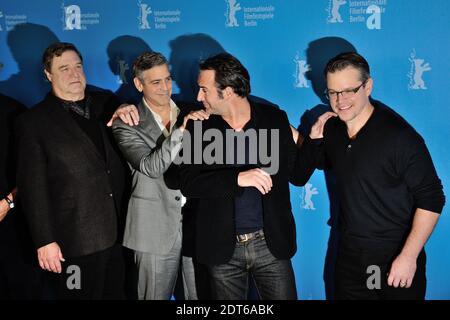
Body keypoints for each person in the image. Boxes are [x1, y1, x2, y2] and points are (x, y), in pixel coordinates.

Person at [304, 52, 445, 299]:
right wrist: (305, 136)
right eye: (333, 92)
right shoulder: (333, 130)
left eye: (349, 90)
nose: (340, 100)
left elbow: (432, 199)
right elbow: (314, 164)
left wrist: (408, 256)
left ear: (368, 86)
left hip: (392, 258)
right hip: (349, 257)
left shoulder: (399, 137)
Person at [177, 53, 314, 300]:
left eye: (203, 90)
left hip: (270, 244)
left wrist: (315, 140)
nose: (198, 97)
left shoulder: (274, 119)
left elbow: (298, 176)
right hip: (221, 248)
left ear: (227, 91)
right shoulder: (199, 126)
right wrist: (237, 178)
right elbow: (188, 183)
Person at [15, 42, 135, 299]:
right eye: (64, 68)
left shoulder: (109, 103)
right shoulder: (32, 123)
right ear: (48, 75)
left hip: (121, 234)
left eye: (78, 66)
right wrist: (44, 240)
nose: (74, 74)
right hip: (74, 242)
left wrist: (127, 107)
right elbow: (32, 187)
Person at [112, 51, 208, 300]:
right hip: (152, 228)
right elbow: (150, 167)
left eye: (168, 79)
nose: (165, 88)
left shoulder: (192, 111)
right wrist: (182, 130)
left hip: (196, 226)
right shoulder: (126, 122)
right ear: (138, 84)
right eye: (156, 82)